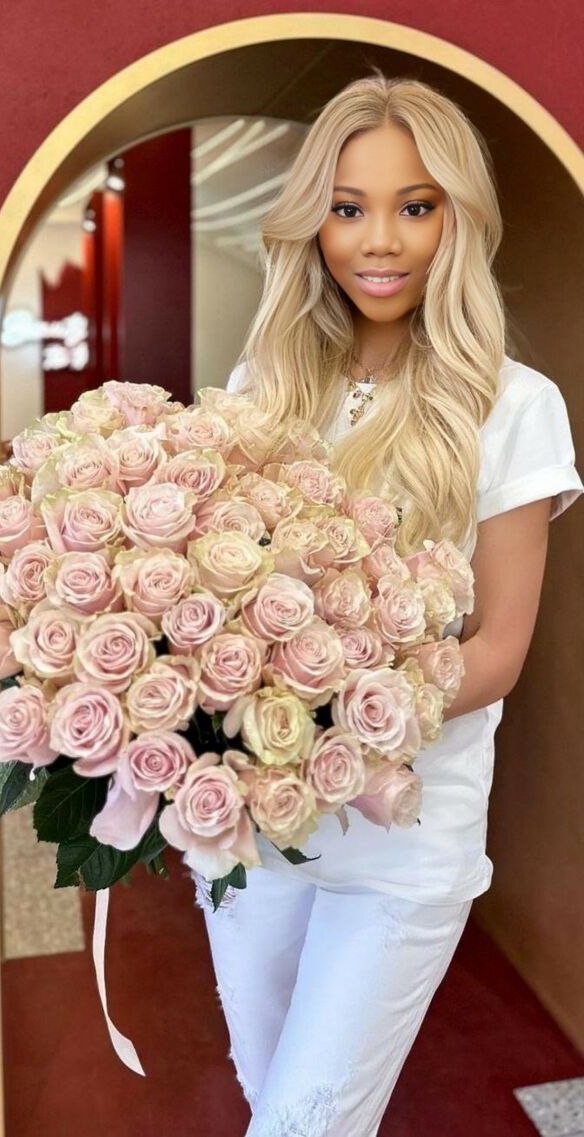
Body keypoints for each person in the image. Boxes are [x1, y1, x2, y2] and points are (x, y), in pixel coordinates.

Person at [188, 70, 584, 1136]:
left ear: (459, 218)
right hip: (256, 827)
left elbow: (497, 651)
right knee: (267, 1094)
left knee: (304, 1125)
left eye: (415, 206)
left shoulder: (516, 405)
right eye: (348, 207)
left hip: (408, 834)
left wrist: (315, 719)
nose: (379, 240)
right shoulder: (265, 381)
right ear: (312, 221)